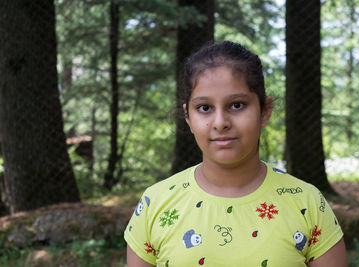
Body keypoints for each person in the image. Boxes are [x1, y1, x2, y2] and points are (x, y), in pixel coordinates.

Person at [125, 41, 347, 267]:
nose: (220, 123)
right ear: (188, 117)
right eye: (204, 108)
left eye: (237, 105)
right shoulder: (156, 203)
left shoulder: (307, 203)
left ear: (264, 111)